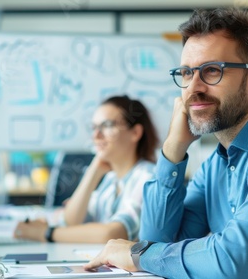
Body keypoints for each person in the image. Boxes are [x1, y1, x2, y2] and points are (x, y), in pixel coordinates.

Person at [85, 8, 248, 278]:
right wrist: (173, 150)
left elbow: (234, 259)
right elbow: (157, 242)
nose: (194, 87)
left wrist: (138, 253)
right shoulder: (215, 165)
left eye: (212, 71)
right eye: (186, 73)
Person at [14, 95, 159, 243]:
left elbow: (112, 234)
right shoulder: (111, 179)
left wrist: (46, 233)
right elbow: (70, 222)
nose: (96, 135)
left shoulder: (148, 177)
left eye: (107, 125)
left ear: (135, 133)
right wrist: (93, 172)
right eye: (94, 127)